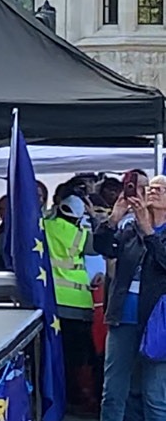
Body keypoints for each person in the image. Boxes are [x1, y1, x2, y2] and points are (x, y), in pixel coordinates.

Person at [94, 172, 166, 421]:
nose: (153, 191)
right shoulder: (130, 228)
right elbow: (102, 247)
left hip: (157, 323)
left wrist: (149, 232)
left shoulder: (147, 230)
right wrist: (114, 217)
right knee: (113, 391)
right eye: (151, 188)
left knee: (154, 395)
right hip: (123, 316)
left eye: (161, 189)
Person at [45, 191, 100, 417]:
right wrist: (94, 217)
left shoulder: (44, 226)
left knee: (53, 357)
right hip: (78, 304)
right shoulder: (82, 234)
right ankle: (76, 398)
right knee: (77, 359)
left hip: (50, 304)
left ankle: (60, 398)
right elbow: (99, 247)